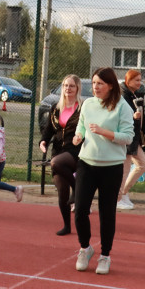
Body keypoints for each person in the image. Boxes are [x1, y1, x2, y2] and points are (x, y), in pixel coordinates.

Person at [72, 67, 133, 275]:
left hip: (111, 167)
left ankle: (105, 255)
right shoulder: (88, 104)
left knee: (107, 214)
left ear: (110, 86)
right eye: (94, 82)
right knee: (80, 210)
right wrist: (78, 136)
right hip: (86, 164)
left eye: (100, 83)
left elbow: (127, 137)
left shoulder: (122, 107)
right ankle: (85, 248)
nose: (95, 87)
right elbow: (81, 126)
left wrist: (104, 132)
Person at [40, 74, 83, 235]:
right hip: (58, 149)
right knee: (62, 190)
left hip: (75, 150)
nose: (68, 89)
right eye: (65, 85)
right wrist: (43, 141)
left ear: (77, 88)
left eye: (71, 86)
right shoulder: (55, 108)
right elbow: (49, 130)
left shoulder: (82, 108)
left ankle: (76, 187)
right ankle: (67, 226)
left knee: (55, 163)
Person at [117, 69, 145, 210]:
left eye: (140, 79)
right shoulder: (123, 96)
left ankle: (123, 193)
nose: (139, 83)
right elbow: (120, 116)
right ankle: (118, 198)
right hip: (126, 137)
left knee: (142, 164)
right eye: (136, 80)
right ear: (128, 80)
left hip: (134, 138)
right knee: (125, 169)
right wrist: (133, 117)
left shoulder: (135, 95)